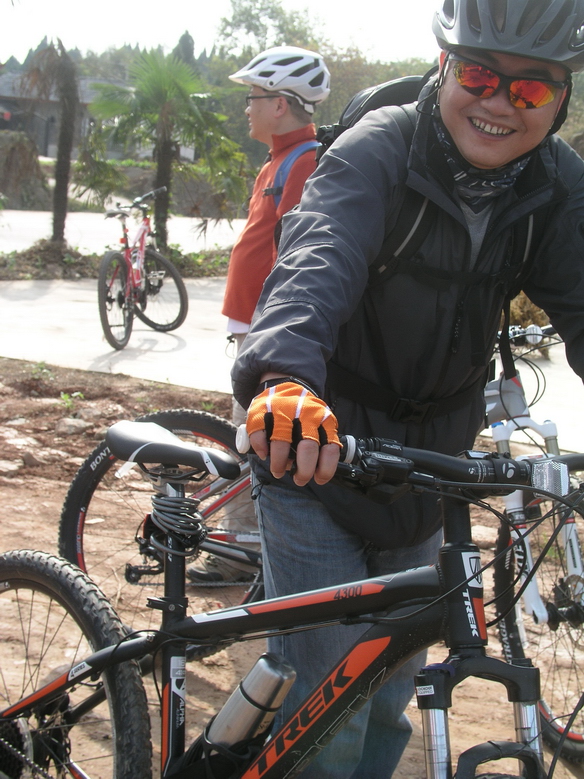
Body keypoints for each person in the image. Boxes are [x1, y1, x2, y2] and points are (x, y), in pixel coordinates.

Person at [232, 0, 584, 776]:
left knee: (390, 693)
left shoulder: (556, 185)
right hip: (317, 452)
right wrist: (285, 378)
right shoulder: (379, 149)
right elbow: (315, 262)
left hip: (428, 468)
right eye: (479, 76)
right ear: (443, 67)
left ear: (561, 99)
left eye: (529, 89)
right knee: (329, 704)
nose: (499, 104)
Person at [187, 46, 330, 584]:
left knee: (254, 442)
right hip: (254, 329)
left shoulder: (305, 161)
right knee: (247, 439)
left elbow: (298, 256)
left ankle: (237, 558)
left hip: (270, 336)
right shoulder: (277, 159)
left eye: (253, 97)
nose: (246, 106)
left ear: (281, 104)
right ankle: (245, 553)